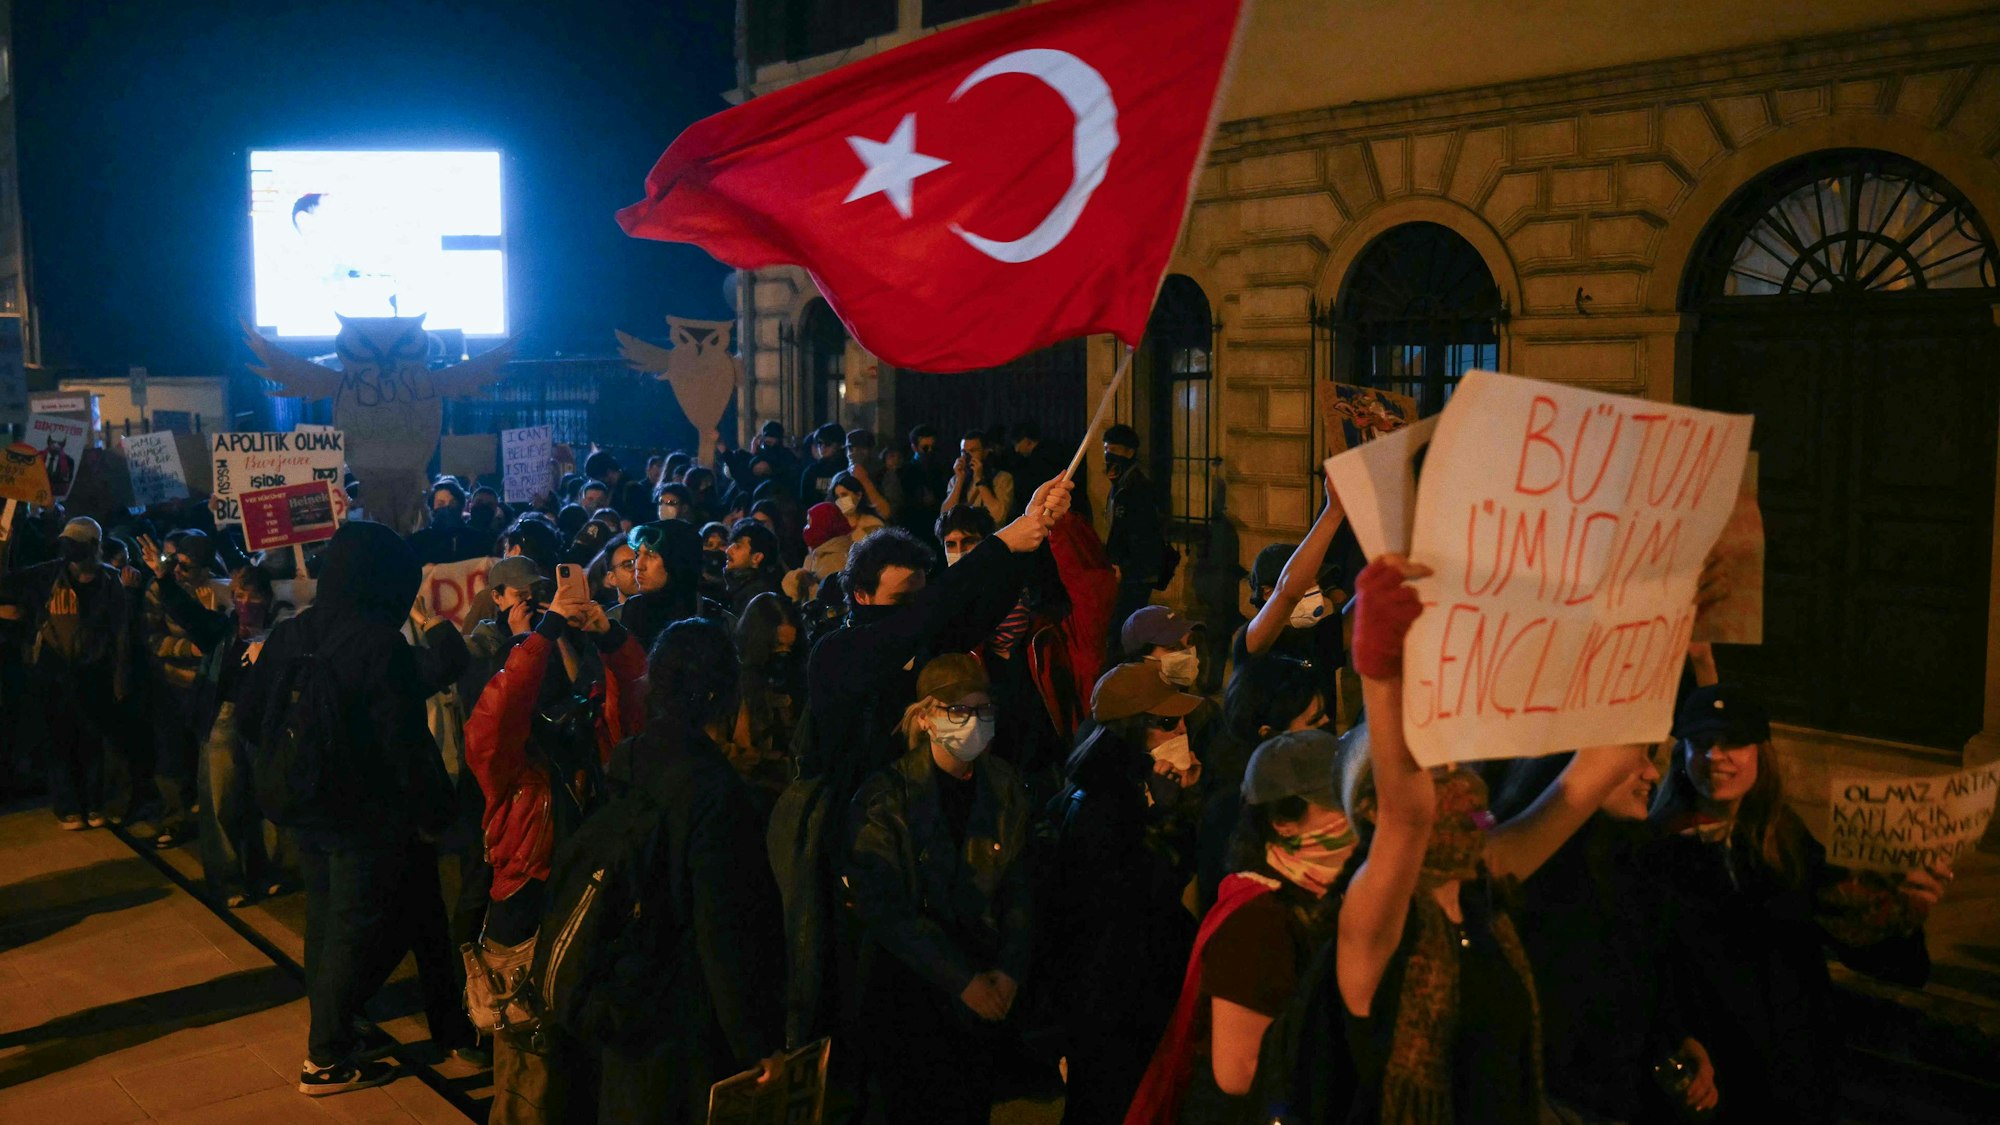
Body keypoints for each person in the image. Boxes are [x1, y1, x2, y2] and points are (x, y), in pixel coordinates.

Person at [1334, 556, 1652, 1125]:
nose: (1460, 782)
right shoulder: (1373, 915)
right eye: (1434, 769)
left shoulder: (1484, 880)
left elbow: (1610, 759)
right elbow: (1407, 816)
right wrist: (1380, 676)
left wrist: (1659, 623)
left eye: (1456, 764)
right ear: (1373, 805)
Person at [776, 477, 1073, 1047]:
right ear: (860, 596)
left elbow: (974, 605)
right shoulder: (838, 654)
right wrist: (1000, 543)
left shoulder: (920, 634)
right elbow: (922, 620)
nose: (915, 610)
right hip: (861, 844)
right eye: (898, 600)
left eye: (920, 595)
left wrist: (1032, 533)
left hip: (933, 831)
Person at [233, 521, 468, 1097]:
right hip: (363, 815)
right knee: (353, 928)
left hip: (302, 806)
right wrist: (429, 811)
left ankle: (336, 1027)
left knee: (325, 918)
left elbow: (247, 716)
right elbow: (403, 737)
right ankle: (327, 1056)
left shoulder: (293, 633)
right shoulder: (379, 643)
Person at [1650, 684, 1944, 1124]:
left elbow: (1849, 934)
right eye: (1702, 743)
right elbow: (1647, 968)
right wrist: (1677, 1041)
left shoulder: (1784, 838)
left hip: (1798, 1073)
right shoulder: (1657, 850)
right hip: (1716, 1078)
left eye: (1733, 743)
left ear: (1760, 754)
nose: (1715, 757)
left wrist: (1901, 910)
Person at [467, 578, 646, 1124]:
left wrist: (608, 634)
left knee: (584, 1071)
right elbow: (504, 707)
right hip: (525, 926)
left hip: (589, 924)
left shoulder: (593, 746)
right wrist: (542, 635)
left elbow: (636, 694)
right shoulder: (507, 764)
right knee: (530, 1081)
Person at [1126, 728, 1355, 1123]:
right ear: (1283, 820)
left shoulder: (1319, 893)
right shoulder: (1257, 922)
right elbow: (1238, 1074)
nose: (1358, 815)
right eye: (1340, 801)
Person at [845, 654, 1035, 1125]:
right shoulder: (886, 796)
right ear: (926, 717)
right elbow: (886, 908)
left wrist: (1008, 971)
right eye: (958, 711)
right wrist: (961, 979)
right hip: (913, 992)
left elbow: (1022, 884)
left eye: (982, 710)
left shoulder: (1005, 785)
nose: (972, 722)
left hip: (983, 983)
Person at [1507, 741, 1720, 1124]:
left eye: (1651, 756)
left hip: (1618, 1102)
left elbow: (1640, 978)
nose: (1652, 773)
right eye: (1633, 755)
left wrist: (1675, 1039)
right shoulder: (1527, 875)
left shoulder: (1638, 858)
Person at [1048, 661, 1204, 1125]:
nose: (1180, 728)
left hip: (1118, 989)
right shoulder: (1106, 803)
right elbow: (1144, 894)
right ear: (1132, 728)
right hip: (1113, 997)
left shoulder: (1122, 784)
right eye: (1165, 722)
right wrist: (1172, 815)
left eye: (1180, 719)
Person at [0, 517, 130, 830]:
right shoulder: (47, 574)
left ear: (94, 547)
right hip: (53, 670)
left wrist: (119, 676)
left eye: (76, 544)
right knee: (59, 739)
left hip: (94, 670)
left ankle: (94, 803)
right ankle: (68, 806)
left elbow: (121, 632)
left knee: (91, 738)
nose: (69, 550)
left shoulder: (111, 581)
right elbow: (7, 583)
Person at [145, 528, 232, 847]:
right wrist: (187, 650)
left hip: (209, 688)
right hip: (173, 684)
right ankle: (175, 819)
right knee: (171, 757)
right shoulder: (160, 588)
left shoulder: (222, 591)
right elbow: (152, 637)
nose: (178, 571)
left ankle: (209, 823)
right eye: (175, 562)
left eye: (187, 566)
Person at [1101, 423, 1166, 637]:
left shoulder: (1137, 488)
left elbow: (1142, 534)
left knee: (1124, 626)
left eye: (1115, 450)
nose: (1109, 456)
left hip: (1135, 573)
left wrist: (1124, 566)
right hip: (1124, 570)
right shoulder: (1119, 485)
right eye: (1106, 449)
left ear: (1130, 452)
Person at [1122, 604, 1201, 690]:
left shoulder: (1186, 699)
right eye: (1172, 647)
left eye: (1190, 641)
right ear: (1141, 656)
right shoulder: (1122, 698)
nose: (1188, 653)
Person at [944, 431, 1014, 525]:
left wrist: (980, 480)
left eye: (973, 451)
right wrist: (959, 481)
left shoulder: (1002, 478)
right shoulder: (955, 480)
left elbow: (999, 517)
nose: (967, 457)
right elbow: (945, 517)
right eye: (964, 452)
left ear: (985, 452)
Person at [720, 519, 786, 618]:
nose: (728, 550)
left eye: (738, 546)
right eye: (731, 544)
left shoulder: (759, 599)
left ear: (756, 558)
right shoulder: (737, 585)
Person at [1009, 420, 1061, 517]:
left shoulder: (1037, 462)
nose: (1016, 450)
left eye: (1017, 444)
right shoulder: (1055, 452)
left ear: (1027, 441)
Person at [802, 501, 856, 583]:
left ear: (823, 524)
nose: (806, 528)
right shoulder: (816, 555)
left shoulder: (837, 561)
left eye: (810, 523)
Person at [828, 470, 888, 539]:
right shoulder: (833, 524)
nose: (840, 500)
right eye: (837, 497)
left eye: (844, 495)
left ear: (858, 495)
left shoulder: (873, 524)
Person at [799, 423, 847, 502]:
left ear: (840, 444)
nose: (822, 447)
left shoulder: (848, 468)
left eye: (828, 443)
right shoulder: (812, 471)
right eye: (820, 443)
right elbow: (805, 502)